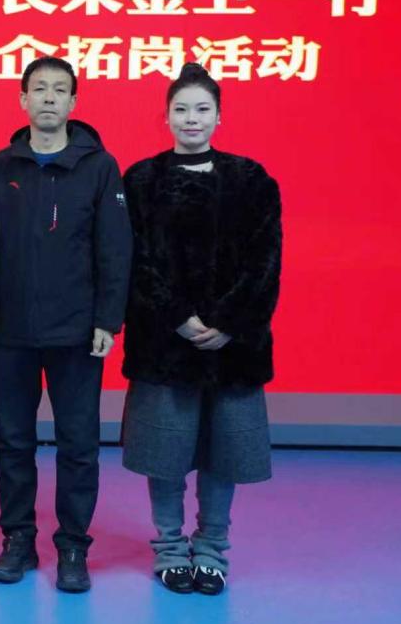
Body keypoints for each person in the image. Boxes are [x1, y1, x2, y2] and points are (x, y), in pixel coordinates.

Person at [120, 62, 282, 596]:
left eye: (202, 109)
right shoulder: (141, 180)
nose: (192, 118)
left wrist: (229, 323)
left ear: (219, 116)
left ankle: (212, 549)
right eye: (181, 109)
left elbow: (265, 261)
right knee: (165, 455)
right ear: (166, 116)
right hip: (164, 345)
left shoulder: (252, 179)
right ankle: (169, 548)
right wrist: (179, 319)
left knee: (223, 454)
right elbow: (134, 260)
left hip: (233, 348)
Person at [0, 56, 132, 593]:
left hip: (77, 333)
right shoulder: (0, 167)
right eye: (38, 89)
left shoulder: (99, 166)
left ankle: (72, 545)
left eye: (59, 90)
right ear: (22, 100)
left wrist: (108, 318)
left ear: (73, 102)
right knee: (12, 442)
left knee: (79, 445)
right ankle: (18, 539)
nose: (48, 98)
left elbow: (115, 249)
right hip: (11, 331)